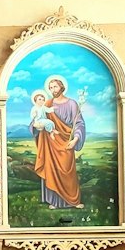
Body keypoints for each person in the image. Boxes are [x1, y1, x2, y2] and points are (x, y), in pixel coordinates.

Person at [32, 75, 85, 209]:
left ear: (61, 86)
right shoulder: (47, 104)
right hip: (50, 144)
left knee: (68, 171)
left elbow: (79, 123)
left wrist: (76, 139)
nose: (53, 90)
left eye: (55, 86)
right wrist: (36, 126)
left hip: (66, 142)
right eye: (50, 87)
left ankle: (73, 200)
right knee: (52, 170)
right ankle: (54, 202)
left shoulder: (72, 104)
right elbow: (37, 120)